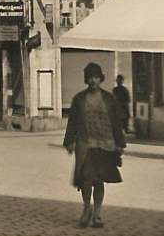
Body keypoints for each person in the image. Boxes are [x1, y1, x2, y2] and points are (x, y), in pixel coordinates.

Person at [63, 62, 125, 229]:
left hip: (105, 145)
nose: (93, 81)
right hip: (86, 144)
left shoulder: (109, 99)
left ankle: (97, 214)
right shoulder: (79, 99)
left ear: (101, 79)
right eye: (90, 77)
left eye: (96, 77)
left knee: (99, 181)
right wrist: (69, 141)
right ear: (86, 79)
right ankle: (86, 208)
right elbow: (73, 122)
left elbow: (116, 123)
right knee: (86, 179)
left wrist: (120, 143)